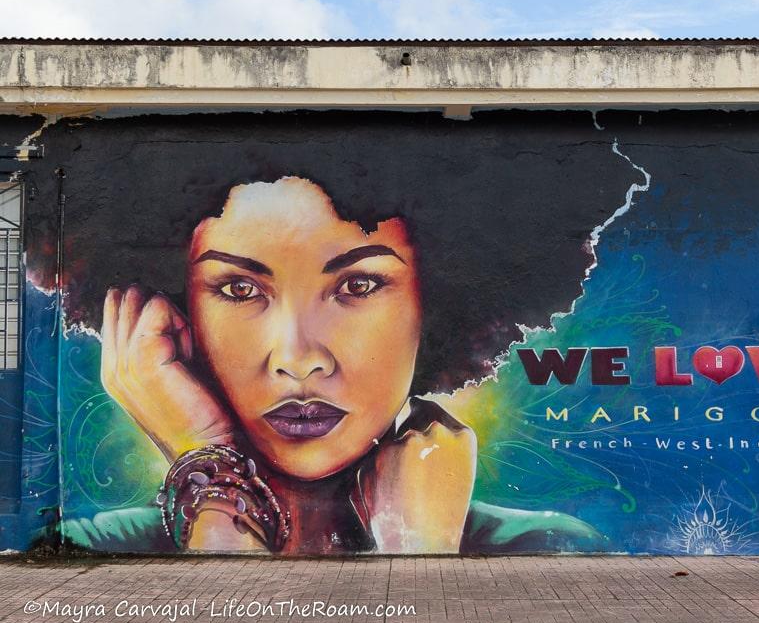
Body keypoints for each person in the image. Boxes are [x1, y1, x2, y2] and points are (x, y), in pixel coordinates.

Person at [27, 112, 639, 554]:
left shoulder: (549, 549)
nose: (299, 359)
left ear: (438, 303)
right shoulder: (95, 549)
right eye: (240, 290)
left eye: (358, 286)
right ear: (175, 315)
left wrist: (418, 548)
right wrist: (207, 457)